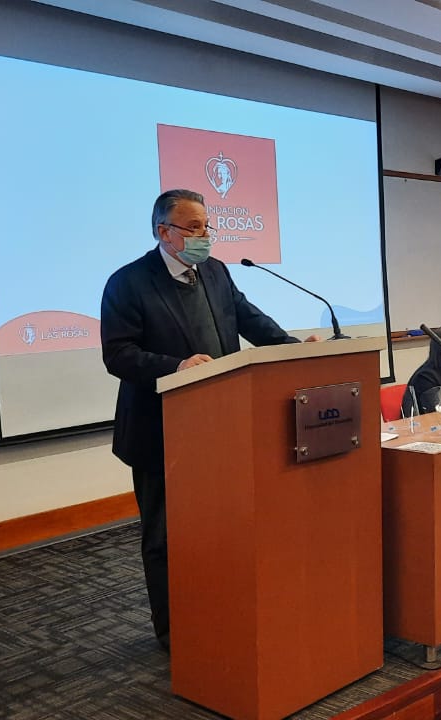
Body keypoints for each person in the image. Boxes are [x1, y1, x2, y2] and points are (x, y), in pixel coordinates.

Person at [101, 188, 313, 651]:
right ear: (164, 232)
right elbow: (118, 355)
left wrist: (296, 351)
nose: (205, 235)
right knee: (165, 535)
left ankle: (219, 609)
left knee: (221, 527)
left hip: (222, 425)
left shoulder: (215, 271)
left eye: (206, 225)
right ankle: (174, 631)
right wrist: (176, 366)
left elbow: (251, 321)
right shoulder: (128, 282)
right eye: (193, 227)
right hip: (160, 430)